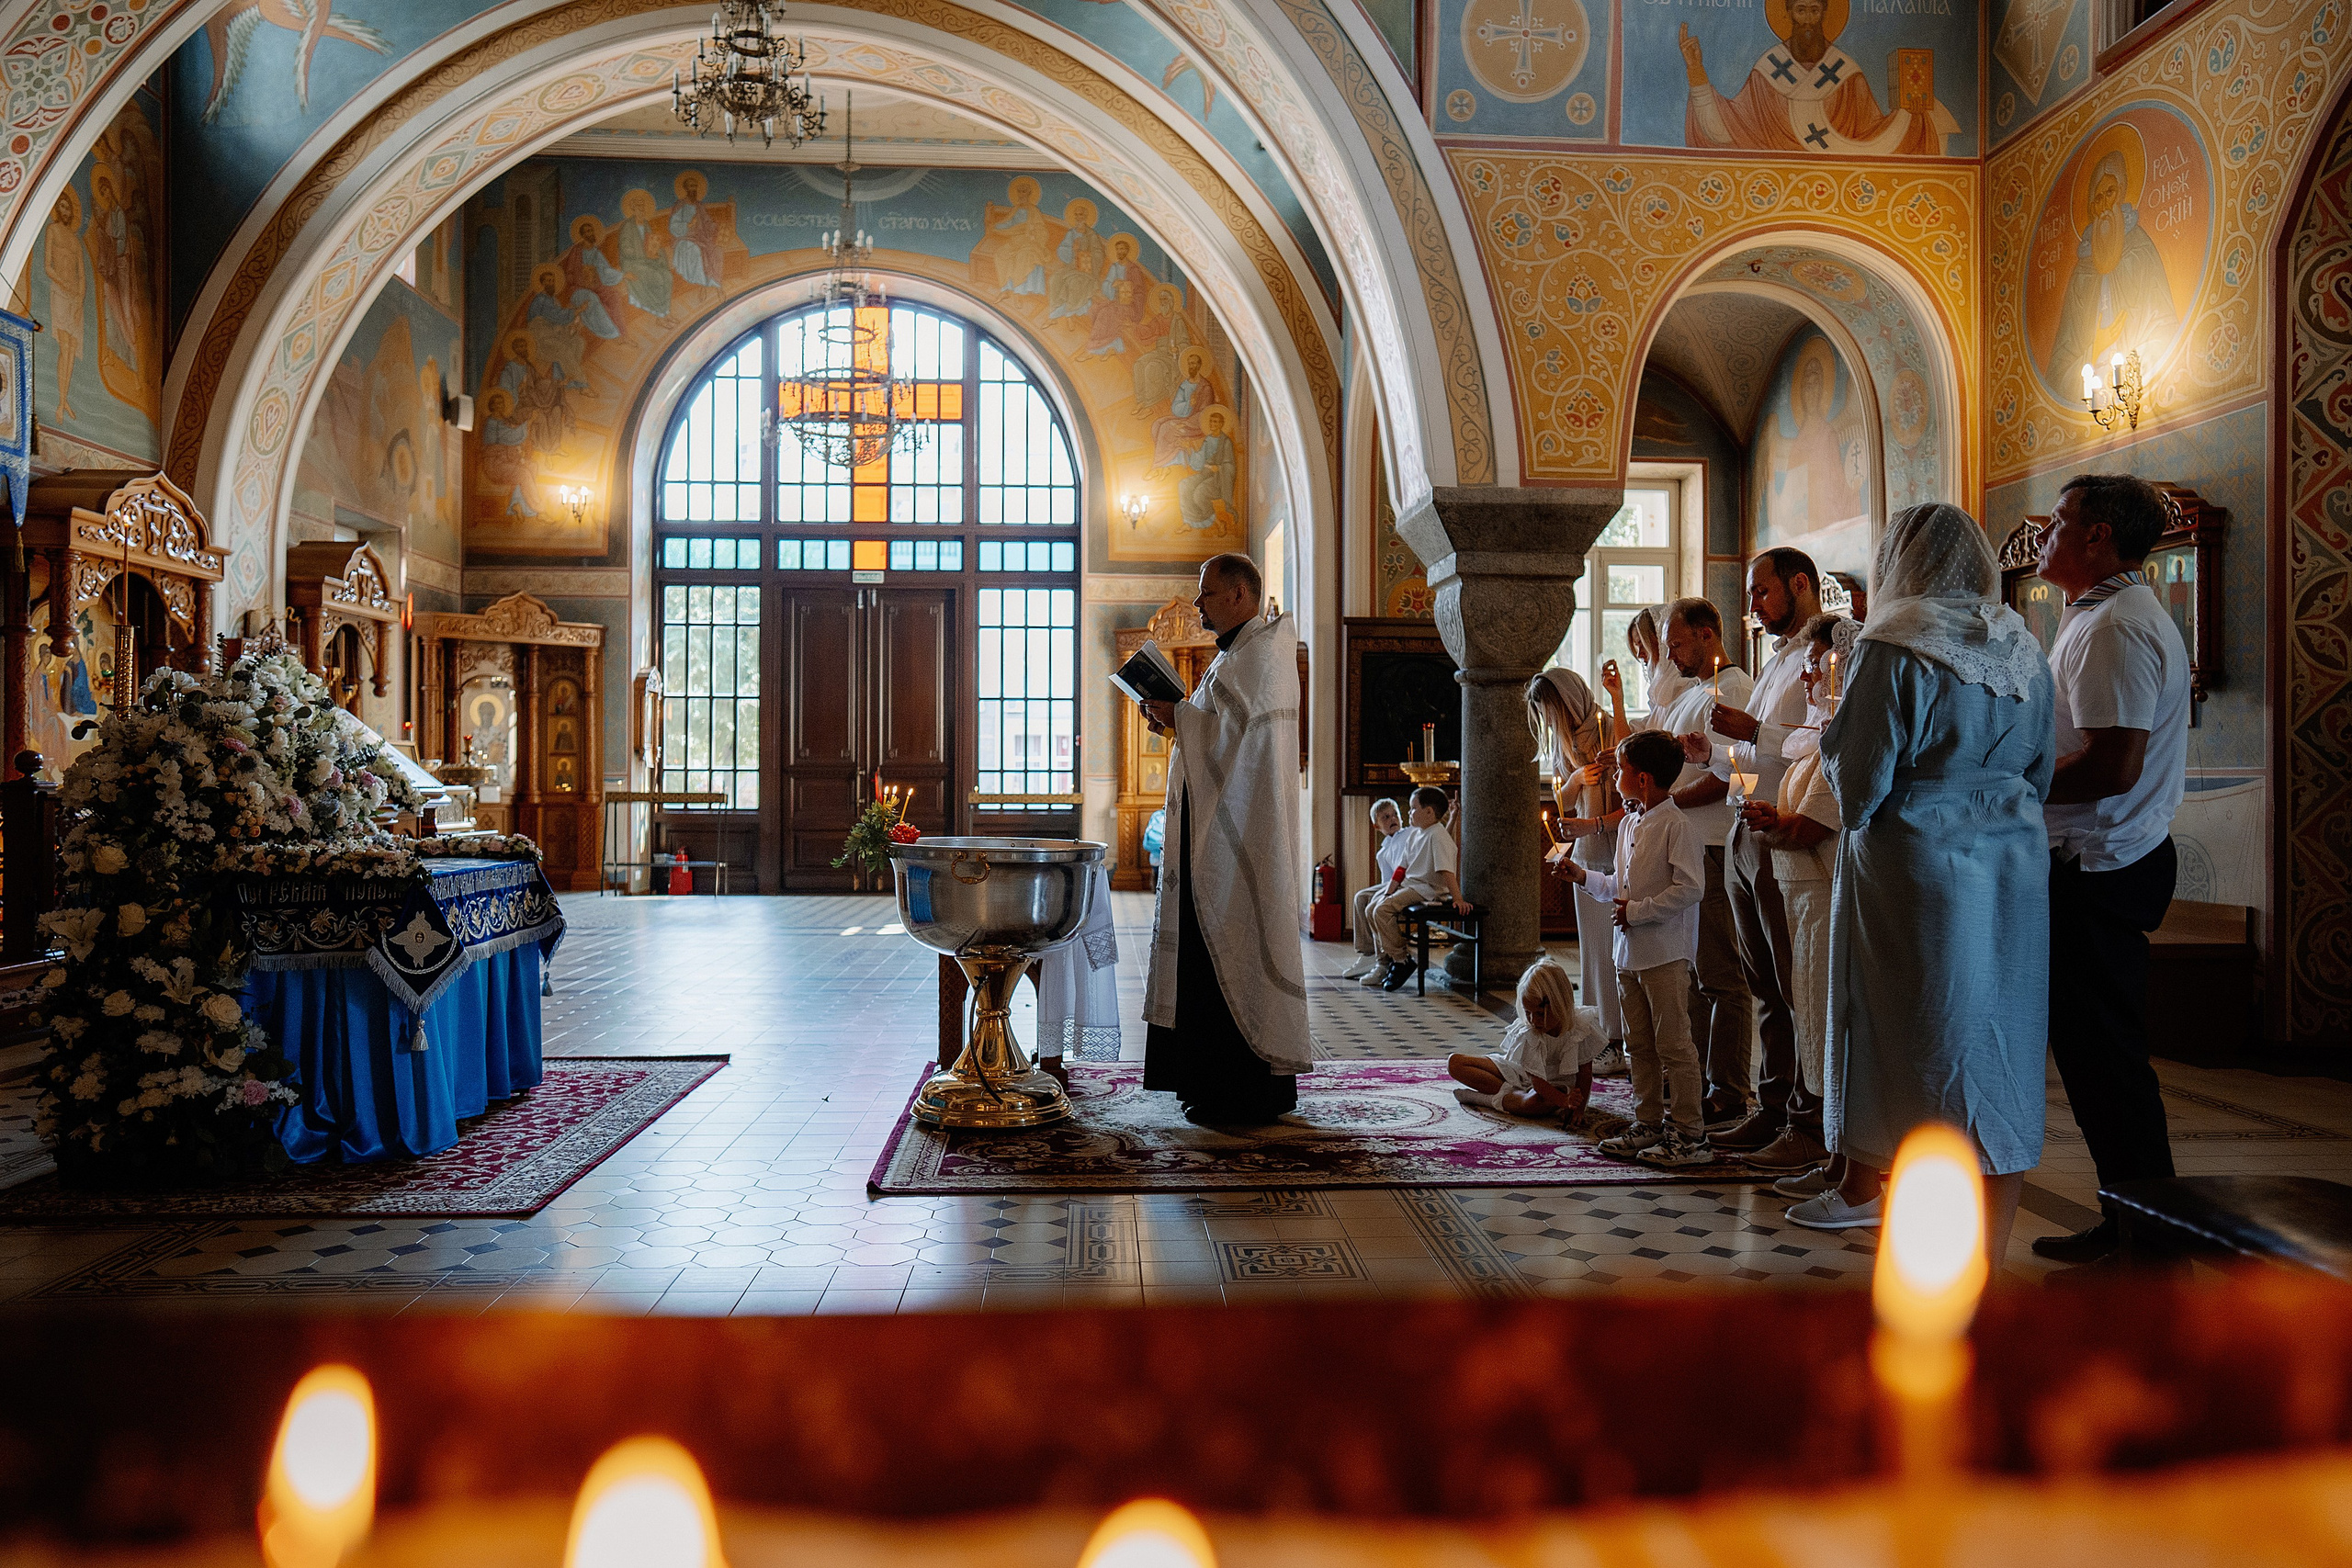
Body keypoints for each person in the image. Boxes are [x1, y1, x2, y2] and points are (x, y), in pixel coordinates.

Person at [1786, 504, 2056, 1277]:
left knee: (1920, 1057)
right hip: (2012, 876)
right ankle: (1988, 1267)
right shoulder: (2021, 647)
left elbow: (1861, 786)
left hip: (1916, 875)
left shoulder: (1893, 645)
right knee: (1995, 1053)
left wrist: (1839, 738)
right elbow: (2039, 773)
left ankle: (1928, 1281)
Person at [2030, 473, 2192, 1264]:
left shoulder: (2117, 626)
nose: (2043, 536)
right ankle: (2127, 1215)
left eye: (2059, 522)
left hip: (2101, 865)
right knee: (2094, 1064)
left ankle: (2153, 1237)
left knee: (2109, 1064)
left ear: (2098, 536)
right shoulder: (2097, 616)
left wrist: (2010, 781)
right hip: (2092, 860)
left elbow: (2113, 764)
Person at [1136, 554, 1313, 1123]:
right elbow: (1220, 737)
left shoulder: (1259, 657)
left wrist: (1181, 716)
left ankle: (1237, 1092)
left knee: (1227, 953)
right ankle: (1207, 1083)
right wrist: (1177, 718)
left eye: (1207, 595)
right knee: (1206, 957)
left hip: (1242, 845)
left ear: (1240, 595)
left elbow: (1233, 745)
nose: (1200, 606)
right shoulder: (1240, 656)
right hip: (1216, 835)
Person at [1695, 550, 1843, 1168]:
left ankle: (1806, 1119)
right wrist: (1715, 750)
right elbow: (1761, 753)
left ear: (1800, 584)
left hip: (1790, 833)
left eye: (1761, 592)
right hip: (1750, 821)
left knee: (1794, 984)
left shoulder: (1830, 656)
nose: (1751, 606)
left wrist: (1754, 732)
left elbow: (1822, 736)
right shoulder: (1781, 658)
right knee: (1764, 983)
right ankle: (1774, 1106)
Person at [1737, 614, 1860, 1200]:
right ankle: (1820, 1139)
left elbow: (1814, 825)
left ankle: (1828, 1144)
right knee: (1802, 1011)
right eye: (1810, 663)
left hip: (1822, 893)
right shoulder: (1813, 734)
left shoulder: (1842, 738)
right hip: (1796, 893)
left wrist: (1774, 822)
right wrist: (1772, 822)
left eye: (1819, 663)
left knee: (1821, 1019)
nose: (1809, 673)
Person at [1554, 730, 1713, 1168]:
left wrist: (1637, 912)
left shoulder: (1677, 825)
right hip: (1629, 954)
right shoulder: (1629, 822)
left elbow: (1690, 889)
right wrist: (1583, 877)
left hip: (1664, 953)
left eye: (1622, 769)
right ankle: (1647, 1123)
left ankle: (1689, 1134)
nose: (1616, 776)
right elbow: (1618, 886)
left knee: (1674, 1046)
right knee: (1637, 1046)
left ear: (1643, 779)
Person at [1648, 598, 1757, 1128]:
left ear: (1708, 636)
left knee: (1721, 974)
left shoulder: (1731, 689)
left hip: (1713, 845)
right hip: (1688, 845)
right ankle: (1692, 1075)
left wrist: (1669, 803)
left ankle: (1730, 1089)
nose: (1670, 652)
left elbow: (1732, 777)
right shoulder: (1694, 691)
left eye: (1677, 641)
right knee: (1691, 971)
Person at [1526, 666, 1629, 1071]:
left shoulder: (1607, 727)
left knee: (1614, 951)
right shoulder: (1564, 743)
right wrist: (1579, 780)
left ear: (1569, 699)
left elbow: (1638, 795)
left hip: (1615, 850)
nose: (1552, 721)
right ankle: (1597, 1036)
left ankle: (1618, 1040)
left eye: (1552, 710)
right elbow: (1563, 799)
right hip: (1585, 856)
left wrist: (1610, 764)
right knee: (1593, 953)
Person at [1448, 959, 1604, 1118]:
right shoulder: (1529, 1031)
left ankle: (1484, 1098)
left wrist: (1575, 1107)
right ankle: (1508, 1097)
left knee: (1533, 1104)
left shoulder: (1581, 1027)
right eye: (1528, 1012)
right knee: (1455, 1063)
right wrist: (1563, 1102)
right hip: (1522, 1073)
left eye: (1539, 1014)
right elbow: (1536, 1081)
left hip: (1556, 1087)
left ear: (1560, 1004)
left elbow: (1585, 1075)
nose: (1533, 1021)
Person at [1369, 786, 1466, 992]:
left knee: (1382, 910)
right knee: (1373, 908)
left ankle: (1401, 960)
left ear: (1429, 812)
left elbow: (1446, 869)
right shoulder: (1418, 834)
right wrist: (1388, 892)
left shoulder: (1436, 835)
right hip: (1411, 884)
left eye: (1413, 809)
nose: (1408, 813)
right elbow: (1401, 869)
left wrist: (1457, 898)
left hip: (1427, 889)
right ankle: (1392, 959)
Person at [1340, 797, 1413, 981]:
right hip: (1394, 884)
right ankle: (1368, 954)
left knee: (1368, 898)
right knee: (1361, 897)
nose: (1392, 819)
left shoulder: (1410, 833)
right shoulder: (1382, 852)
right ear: (1376, 825)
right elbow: (1387, 881)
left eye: (1395, 814)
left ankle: (1380, 960)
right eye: (1386, 817)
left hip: (1408, 881)